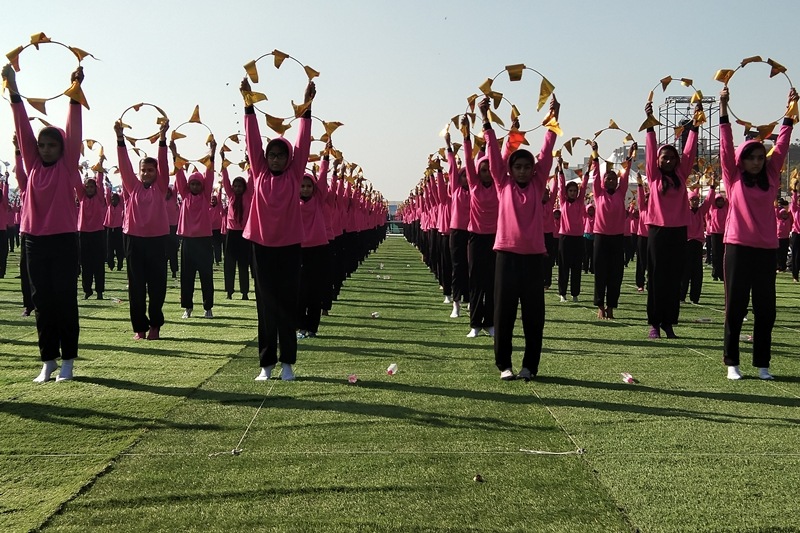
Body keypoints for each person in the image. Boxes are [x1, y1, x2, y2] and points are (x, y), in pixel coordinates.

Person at [3, 63, 84, 382]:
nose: (46, 149)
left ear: (62, 148)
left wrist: (75, 93)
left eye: (52, 145)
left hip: (63, 239)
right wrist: (12, 87)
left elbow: (74, 129)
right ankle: (48, 360)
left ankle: (68, 361)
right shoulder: (32, 165)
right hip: (33, 240)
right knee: (42, 301)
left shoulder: (67, 166)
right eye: (42, 145)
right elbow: (22, 127)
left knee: (64, 299)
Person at [719, 86, 796, 380]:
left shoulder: (772, 175)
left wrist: (790, 112)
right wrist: (723, 107)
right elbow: (725, 145)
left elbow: (783, 145)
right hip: (737, 248)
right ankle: (732, 362)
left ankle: (763, 364)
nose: (756, 161)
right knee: (735, 307)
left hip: (765, 249)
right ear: (742, 159)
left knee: (766, 310)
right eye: (751, 157)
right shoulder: (733, 176)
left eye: (760, 157)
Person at [240, 76, 315, 382]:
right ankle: (266, 364)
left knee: (287, 305)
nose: (275, 159)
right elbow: (252, 140)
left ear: (288, 159)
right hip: (261, 247)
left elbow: (303, 143)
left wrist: (307, 108)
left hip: (289, 248)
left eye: (281, 155)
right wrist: (248, 105)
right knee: (265, 307)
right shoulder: (258, 172)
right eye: (271, 155)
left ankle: (287, 364)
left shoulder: (295, 175)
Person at [480, 95, 559, 380]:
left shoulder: (537, 185)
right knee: (504, 314)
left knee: (533, 317)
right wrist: (486, 121)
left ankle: (530, 366)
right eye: (518, 167)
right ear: (510, 170)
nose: (523, 171)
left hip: (534, 259)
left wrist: (554, 120)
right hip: (506, 257)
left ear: (534, 170)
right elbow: (494, 155)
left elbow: (546, 152)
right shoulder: (503, 184)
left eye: (527, 167)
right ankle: (505, 365)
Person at [644, 98, 701, 338]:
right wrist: (650, 123)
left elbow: (689, 151)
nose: (668, 161)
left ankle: (669, 323)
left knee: (674, 278)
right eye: (664, 157)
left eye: (672, 158)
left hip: (679, 232)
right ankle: (654, 323)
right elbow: (650, 149)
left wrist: (695, 125)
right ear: (657, 161)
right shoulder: (654, 176)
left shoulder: (681, 174)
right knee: (657, 278)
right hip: (657, 231)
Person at [114, 117, 170, 340]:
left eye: (150, 170)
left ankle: (155, 325)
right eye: (143, 170)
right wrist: (120, 139)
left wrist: (163, 139)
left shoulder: (161, 186)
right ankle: (140, 328)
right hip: (134, 240)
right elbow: (124, 166)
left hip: (157, 240)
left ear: (156, 173)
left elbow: (164, 163)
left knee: (157, 285)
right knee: (136, 286)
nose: (146, 173)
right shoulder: (133, 186)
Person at [590, 141, 635, 320]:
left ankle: (611, 306)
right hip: (600, 237)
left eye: (613, 179)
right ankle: (600, 305)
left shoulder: (620, 192)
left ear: (617, 182)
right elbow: (595, 174)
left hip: (617, 238)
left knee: (616, 275)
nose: (610, 181)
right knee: (600, 273)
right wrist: (595, 153)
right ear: (603, 181)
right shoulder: (598, 193)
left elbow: (625, 175)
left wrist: (630, 156)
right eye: (607, 179)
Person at [172, 141, 217, 319]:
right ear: (188, 186)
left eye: (198, 184)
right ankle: (187, 307)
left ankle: (208, 307)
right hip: (188, 243)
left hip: (204, 242)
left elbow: (210, 174)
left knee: (206, 276)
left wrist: (212, 152)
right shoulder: (185, 196)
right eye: (193, 184)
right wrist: (174, 153)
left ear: (203, 186)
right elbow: (179, 175)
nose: (195, 187)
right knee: (187, 277)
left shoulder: (206, 196)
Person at [297, 145, 332, 338]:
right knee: (300, 290)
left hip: (318, 249)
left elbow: (323, 178)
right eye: (302, 186)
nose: (305, 189)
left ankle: (312, 328)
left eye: (309, 186)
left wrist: (325, 158)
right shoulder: (293, 201)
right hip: (299, 249)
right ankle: (301, 326)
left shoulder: (318, 199)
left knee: (315, 291)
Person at [445, 121, 470, 318]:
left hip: (474, 231)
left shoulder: (477, 190)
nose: (466, 179)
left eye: (469, 176)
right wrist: (448, 145)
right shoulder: (455, 190)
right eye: (463, 176)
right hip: (456, 231)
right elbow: (453, 168)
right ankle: (456, 303)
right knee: (458, 267)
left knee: (473, 268)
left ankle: (471, 299)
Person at [557, 158, 589, 303]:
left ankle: (575, 294)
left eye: (575, 191)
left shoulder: (580, 201)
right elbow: (561, 185)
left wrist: (587, 172)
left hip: (578, 238)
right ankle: (562, 293)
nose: (573, 193)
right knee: (564, 267)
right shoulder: (563, 202)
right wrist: (560, 168)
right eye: (570, 191)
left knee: (576, 268)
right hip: (565, 238)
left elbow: (584, 186)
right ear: (566, 192)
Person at [220, 155, 253, 300]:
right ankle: (229, 291)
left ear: (244, 187)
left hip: (244, 234)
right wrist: (223, 162)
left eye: (240, 186)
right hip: (231, 234)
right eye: (235, 186)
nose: (237, 188)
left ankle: (245, 292)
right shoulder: (231, 195)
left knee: (243, 264)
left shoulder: (248, 195)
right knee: (229, 264)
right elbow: (225, 180)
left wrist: (249, 163)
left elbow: (251, 178)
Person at [681, 184, 715, 304]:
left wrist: (712, 188)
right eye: (692, 200)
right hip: (687, 243)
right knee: (685, 271)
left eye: (696, 199)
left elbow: (708, 201)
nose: (695, 202)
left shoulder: (700, 211)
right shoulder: (684, 211)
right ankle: (681, 295)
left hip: (697, 244)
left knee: (697, 272)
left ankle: (695, 297)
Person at [76, 171, 108, 299]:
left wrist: (99, 168)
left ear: (95, 188)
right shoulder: (82, 197)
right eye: (87, 187)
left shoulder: (99, 198)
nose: (89, 189)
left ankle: (99, 291)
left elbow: (100, 182)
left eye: (92, 187)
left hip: (97, 233)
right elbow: (76, 182)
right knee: (85, 264)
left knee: (98, 264)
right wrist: (76, 167)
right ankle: (87, 290)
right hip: (83, 233)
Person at [775, 198, 792, 272]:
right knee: (778, 253)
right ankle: (778, 266)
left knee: (784, 252)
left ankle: (783, 266)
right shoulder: (778, 216)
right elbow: (776, 210)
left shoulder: (789, 216)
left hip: (786, 237)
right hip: (779, 236)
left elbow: (792, 209)